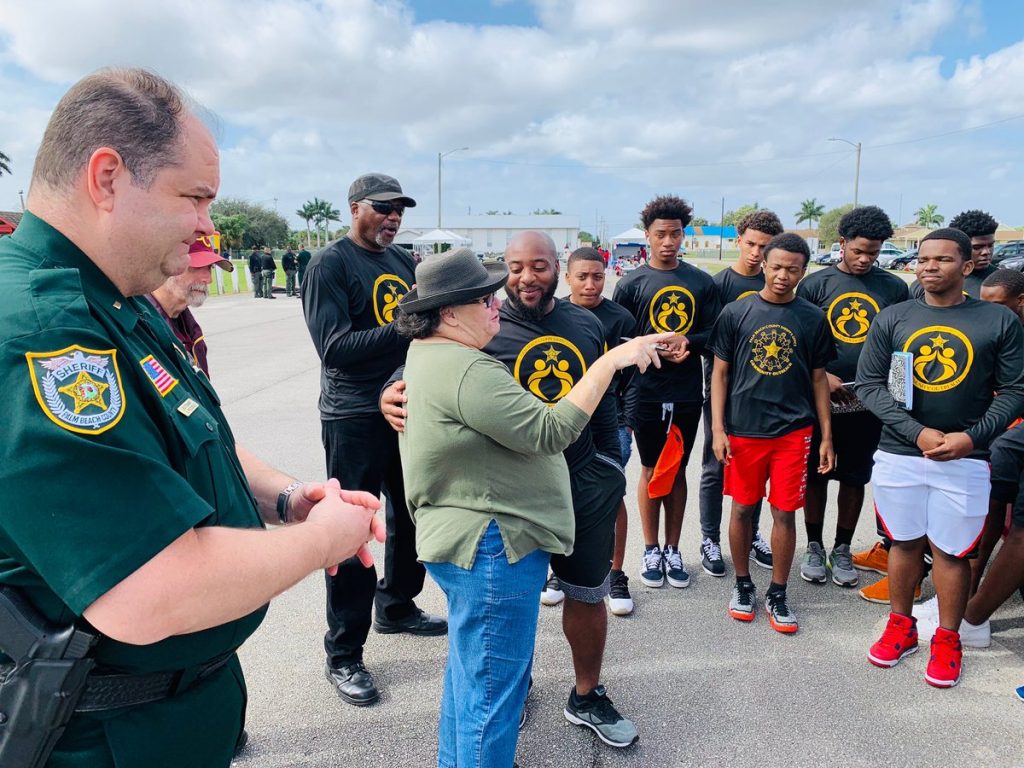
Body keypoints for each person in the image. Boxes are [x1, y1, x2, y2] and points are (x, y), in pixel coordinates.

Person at [0, 67, 384, 768]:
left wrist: (290, 500)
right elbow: (145, 590)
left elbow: (195, 438)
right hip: (103, 735)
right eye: (196, 197)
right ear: (108, 177)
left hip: (168, 710)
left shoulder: (119, 301)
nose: (210, 224)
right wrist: (324, 541)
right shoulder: (43, 332)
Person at [382, 232, 669, 748]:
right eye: (501, 278)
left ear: (555, 267)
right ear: (449, 312)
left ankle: (585, 694)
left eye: (537, 266)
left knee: (571, 605)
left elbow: (609, 403)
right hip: (497, 529)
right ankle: (505, 706)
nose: (516, 283)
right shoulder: (474, 349)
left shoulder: (583, 322)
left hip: (575, 485)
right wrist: (389, 389)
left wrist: (609, 461)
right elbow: (542, 427)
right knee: (492, 688)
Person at [302, 172, 445, 708]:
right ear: (355, 208)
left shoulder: (402, 261)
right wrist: (404, 328)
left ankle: (397, 605)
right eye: (384, 208)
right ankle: (343, 654)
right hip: (352, 416)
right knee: (352, 533)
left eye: (400, 210)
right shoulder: (329, 265)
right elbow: (335, 347)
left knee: (411, 514)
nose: (394, 218)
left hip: (403, 407)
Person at [857, 228, 1024, 688]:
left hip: (966, 458)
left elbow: (1014, 390)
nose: (930, 267)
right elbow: (870, 385)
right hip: (899, 453)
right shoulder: (895, 317)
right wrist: (918, 432)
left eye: (943, 260)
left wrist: (972, 439)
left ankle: (948, 638)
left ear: (967, 267)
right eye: (923, 259)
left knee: (952, 551)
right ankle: (901, 626)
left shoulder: (997, 321)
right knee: (904, 543)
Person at [709, 233, 836, 634]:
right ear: (762, 264)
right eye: (777, 267)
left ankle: (778, 591)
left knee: (785, 512)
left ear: (804, 270)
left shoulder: (812, 317)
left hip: (792, 433)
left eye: (793, 269)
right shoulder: (735, 312)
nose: (783, 276)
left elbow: (819, 380)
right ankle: (743, 584)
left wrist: (826, 436)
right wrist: (717, 429)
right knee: (743, 508)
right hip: (744, 431)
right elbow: (720, 374)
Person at [796, 206, 909, 590]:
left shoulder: (893, 288)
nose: (865, 259)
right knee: (816, 474)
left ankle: (842, 548)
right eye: (859, 251)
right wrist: (822, 374)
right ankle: (814, 544)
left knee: (854, 476)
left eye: (873, 253)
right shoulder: (815, 285)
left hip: (869, 402)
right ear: (841, 244)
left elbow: (901, 346)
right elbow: (801, 339)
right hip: (821, 397)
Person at [613, 195, 719, 590]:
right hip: (646, 392)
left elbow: (715, 333)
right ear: (648, 236)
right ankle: (651, 547)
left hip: (688, 391)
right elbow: (619, 338)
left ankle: (674, 548)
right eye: (661, 234)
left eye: (676, 233)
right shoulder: (631, 283)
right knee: (650, 468)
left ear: (683, 235)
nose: (669, 241)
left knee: (677, 469)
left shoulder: (700, 282)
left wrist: (687, 342)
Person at [698, 209, 783, 577]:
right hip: (723, 391)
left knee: (758, 470)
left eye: (764, 247)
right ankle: (710, 539)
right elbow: (705, 338)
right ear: (738, 240)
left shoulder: (780, 288)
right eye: (750, 243)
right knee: (715, 466)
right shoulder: (717, 286)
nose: (755, 252)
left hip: (766, 396)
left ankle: (751, 534)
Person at [560, 246, 638, 616]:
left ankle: (616, 572)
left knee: (611, 495)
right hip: (563, 423)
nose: (591, 284)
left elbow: (636, 377)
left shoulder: (620, 318)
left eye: (598, 276)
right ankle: (559, 571)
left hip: (611, 423)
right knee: (559, 495)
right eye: (582, 277)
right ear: (567, 278)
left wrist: (627, 421)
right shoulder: (555, 315)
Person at [145, 235, 232, 376]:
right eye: (196, 267)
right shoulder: (140, 328)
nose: (208, 279)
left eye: (209, 268)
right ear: (166, 266)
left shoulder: (190, 328)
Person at [910, 209, 999, 299]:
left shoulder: (1002, 283)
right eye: (977, 247)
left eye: (990, 245)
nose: (986, 252)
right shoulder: (926, 283)